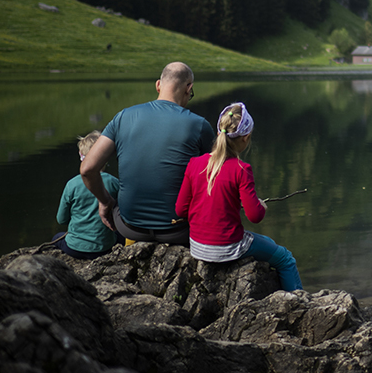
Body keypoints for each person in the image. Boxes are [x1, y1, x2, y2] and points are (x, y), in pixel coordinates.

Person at [81, 62, 213, 244]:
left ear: (158, 85)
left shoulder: (123, 117)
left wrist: (105, 202)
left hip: (130, 227)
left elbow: (87, 169)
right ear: (188, 88)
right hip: (180, 230)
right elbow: (219, 174)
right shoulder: (199, 125)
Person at [175, 102, 302, 291]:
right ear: (246, 138)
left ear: (219, 133)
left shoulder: (194, 163)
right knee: (285, 258)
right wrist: (260, 206)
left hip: (198, 246)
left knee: (269, 243)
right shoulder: (242, 170)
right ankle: (299, 302)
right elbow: (255, 216)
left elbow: (180, 209)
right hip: (228, 248)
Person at [53, 131, 121, 259]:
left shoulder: (71, 185)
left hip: (74, 248)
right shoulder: (114, 182)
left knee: (56, 238)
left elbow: (61, 219)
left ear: (81, 156)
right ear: (105, 157)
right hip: (105, 248)